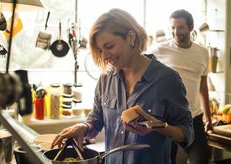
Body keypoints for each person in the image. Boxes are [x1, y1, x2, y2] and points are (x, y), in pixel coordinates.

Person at [51, 8, 193, 164]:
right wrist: (83, 127)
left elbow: (187, 134)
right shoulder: (106, 78)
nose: (104, 56)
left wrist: (155, 126)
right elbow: (96, 120)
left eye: (109, 46)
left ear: (131, 37)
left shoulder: (167, 79)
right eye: (100, 50)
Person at [148, 9, 213, 164]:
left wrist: (208, 118)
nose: (176, 32)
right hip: (166, 119)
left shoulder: (203, 53)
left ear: (190, 27)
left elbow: (202, 86)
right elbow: (141, 75)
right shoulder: (159, 50)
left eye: (180, 27)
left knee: (201, 160)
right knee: (166, 161)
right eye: (173, 28)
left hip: (193, 119)